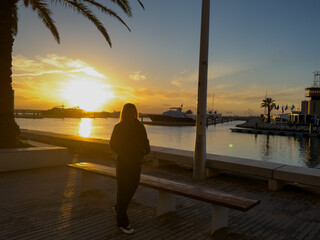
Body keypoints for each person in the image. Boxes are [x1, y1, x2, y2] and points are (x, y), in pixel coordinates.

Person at [109, 103, 150, 234]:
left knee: (133, 187)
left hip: (136, 163)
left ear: (136, 113)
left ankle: (118, 208)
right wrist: (125, 153)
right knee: (122, 191)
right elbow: (113, 145)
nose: (131, 114)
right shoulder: (119, 127)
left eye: (133, 112)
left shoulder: (140, 127)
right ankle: (122, 223)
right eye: (128, 112)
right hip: (123, 164)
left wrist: (144, 150)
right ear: (123, 113)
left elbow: (146, 143)